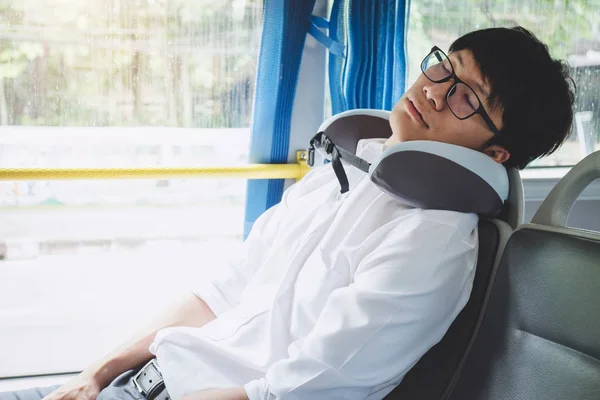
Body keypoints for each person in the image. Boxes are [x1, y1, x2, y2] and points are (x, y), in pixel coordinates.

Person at [0, 26, 575, 400]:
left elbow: (293, 391)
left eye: (465, 97)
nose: (432, 90)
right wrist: (94, 374)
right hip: (136, 382)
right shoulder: (338, 177)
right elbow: (218, 294)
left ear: (495, 154)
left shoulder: (435, 245)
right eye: (442, 67)